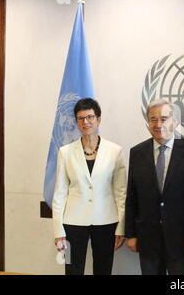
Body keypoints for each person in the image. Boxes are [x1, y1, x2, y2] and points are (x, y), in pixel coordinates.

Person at [125, 99, 184, 275]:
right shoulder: (137, 152)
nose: (158, 124)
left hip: (183, 239)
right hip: (148, 239)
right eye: (153, 119)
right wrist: (130, 234)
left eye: (164, 118)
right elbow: (132, 197)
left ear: (175, 122)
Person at [52, 98, 127, 275]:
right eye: (80, 118)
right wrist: (58, 230)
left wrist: (121, 227)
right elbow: (60, 193)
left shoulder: (115, 151)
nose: (85, 122)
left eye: (90, 117)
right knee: (71, 268)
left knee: (103, 269)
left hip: (106, 221)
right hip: (72, 222)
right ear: (76, 122)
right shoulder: (65, 152)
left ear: (98, 119)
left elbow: (120, 192)